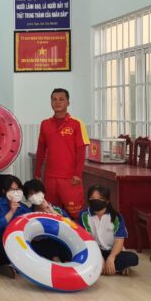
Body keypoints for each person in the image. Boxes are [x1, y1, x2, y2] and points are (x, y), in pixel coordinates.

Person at [34, 88, 90, 218]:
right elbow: (41, 150)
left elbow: (81, 151)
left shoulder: (77, 124)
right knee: (51, 213)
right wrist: (37, 173)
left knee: (75, 215)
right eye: (54, 99)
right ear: (51, 103)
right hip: (50, 179)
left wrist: (78, 174)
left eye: (61, 99)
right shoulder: (45, 124)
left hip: (70, 179)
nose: (57, 102)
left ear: (68, 103)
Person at [79, 184, 139, 276]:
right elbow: (88, 240)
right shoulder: (84, 215)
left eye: (100, 199)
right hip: (93, 250)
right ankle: (115, 269)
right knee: (77, 256)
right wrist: (99, 257)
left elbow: (119, 241)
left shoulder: (116, 217)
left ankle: (102, 267)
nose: (96, 201)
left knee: (133, 258)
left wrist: (111, 257)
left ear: (107, 201)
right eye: (92, 198)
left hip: (112, 251)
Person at [0, 175, 31, 276]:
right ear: (4, 191)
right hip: (0, 240)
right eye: (12, 190)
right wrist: (11, 211)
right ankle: (3, 264)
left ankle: (11, 265)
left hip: (17, 242)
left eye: (18, 189)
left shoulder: (24, 208)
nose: (15, 193)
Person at [22, 179, 71, 262]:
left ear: (43, 192)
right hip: (38, 243)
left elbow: (69, 224)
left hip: (56, 242)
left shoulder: (55, 209)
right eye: (30, 194)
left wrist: (51, 212)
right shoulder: (28, 212)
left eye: (36, 192)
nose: (34, 196)